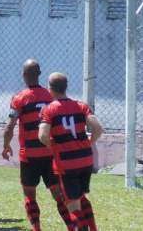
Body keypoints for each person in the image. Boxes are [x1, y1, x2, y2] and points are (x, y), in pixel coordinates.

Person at [1, 59, 74, 231]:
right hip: (50, 154)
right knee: (58, 194)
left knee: (29, 194)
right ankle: (72, 228)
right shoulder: (51, 96)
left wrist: (6, 146)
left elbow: (9, 127)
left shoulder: (19, 98)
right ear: (40, 74)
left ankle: (37, 229)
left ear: (23, 75)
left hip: (29, 156)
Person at [38, 72, 103, 231]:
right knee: (81, 198)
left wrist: (50, 144)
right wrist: (89, 142)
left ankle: (81, 228)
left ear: (50, 89)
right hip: (86, 160)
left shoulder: (49, 110)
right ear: (67, 87)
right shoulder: (81, 106)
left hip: (66, 164)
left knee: (72, 206)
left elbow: (42, 135)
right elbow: (98, 129)